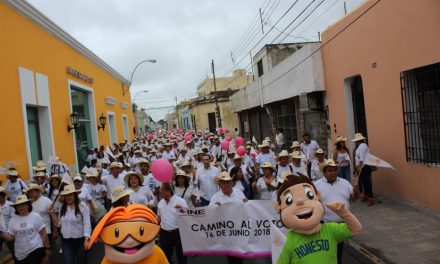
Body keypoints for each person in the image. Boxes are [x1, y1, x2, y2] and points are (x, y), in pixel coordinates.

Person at [274, 175, 362, 264]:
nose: (300, 201)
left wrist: (343, 212)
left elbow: (355, 229)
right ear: (279, 208)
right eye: (289, 200)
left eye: (310, 195)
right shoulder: (288, 240)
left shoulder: (330, 229)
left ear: (318, 197)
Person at [88, 205, 168, 264]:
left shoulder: (156, 252)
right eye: (117, 234)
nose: (130, 241)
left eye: (141, 232)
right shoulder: (109, 261)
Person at [315, 159, 354, 264]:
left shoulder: (345, 183)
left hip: (341, 224)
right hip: (325, 224)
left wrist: (356, 191)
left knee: (338, 250)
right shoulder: (316, 185)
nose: (333, 173)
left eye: (335, 170)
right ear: (324, 172)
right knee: (328, 250)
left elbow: (352, 197)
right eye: (330, 170)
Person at [0, 195, 51, 264]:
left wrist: (47, 248)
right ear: (16, 208)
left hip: (35, 248)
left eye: (23, 204)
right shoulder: (13, 219)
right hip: (20, 253)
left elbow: (43, 233)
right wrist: (2, 234)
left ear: (28, 205)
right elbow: (11, 237)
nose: (21, 207)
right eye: (18, 205)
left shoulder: (35, 216)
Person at [209, 172, 246, 264]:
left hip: (239, 230)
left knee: (240, 255)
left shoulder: (238, 192)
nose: (226, 184)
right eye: (223, 182)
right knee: (231, 256)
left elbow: (246, 208)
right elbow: (209, 215)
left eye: (228, 182)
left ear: (231, 182)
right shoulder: (215, 197)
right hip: (226, 232)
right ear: (219, 184)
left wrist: (247, 203)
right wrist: (214, 208)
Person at [157, 183, 188, 264]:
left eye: (161, 191)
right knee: (166, 255)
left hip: (179, 232)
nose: (159, 193)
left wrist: (181, 209)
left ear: (168, 191)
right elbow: (159, 217)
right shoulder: (160, 203)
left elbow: (187, 216)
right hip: (165, 233)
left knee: (181, 255)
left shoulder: (181, 201)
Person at [25, 184, 58, 250]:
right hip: (34, 234)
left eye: (32, 192)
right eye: (29, 192)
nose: (30, 194)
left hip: (46, 231)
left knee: (46, 252)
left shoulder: (47, 201)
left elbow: (53, 216)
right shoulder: (29, 203)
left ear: (38, 192)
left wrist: (55, 231)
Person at [352, 133, 375, 206]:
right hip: (364, 166)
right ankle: (367, 196)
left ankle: (370, 198)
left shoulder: (362, 146)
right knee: (364, 182)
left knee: (367, 183)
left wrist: (359, 167)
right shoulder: (363, 146)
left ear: (358, 140)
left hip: (364, 167)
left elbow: (361, 159)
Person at [0, 187, 16, 262]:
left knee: (14, 251)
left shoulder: (11, 205)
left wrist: (9, 234)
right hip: (0, 232)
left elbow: (13, 220)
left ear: (3, 196)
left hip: (9, 233)